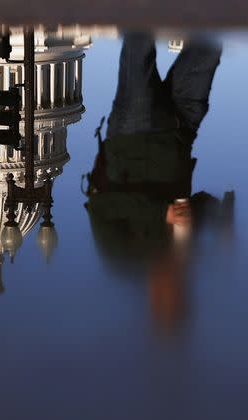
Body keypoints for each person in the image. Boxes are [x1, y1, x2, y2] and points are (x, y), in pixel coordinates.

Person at [83, 32, 230, 333]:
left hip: (135, 130)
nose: (175, 287)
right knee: (210, 43)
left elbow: (101, 206)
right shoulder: (186, 256)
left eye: (170, 296)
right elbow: (199, 205)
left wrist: (160, 213)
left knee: (139, 45)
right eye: (180, 294)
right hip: (181, 128)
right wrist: (218, 218)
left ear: (154, 296)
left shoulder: (121, 255)